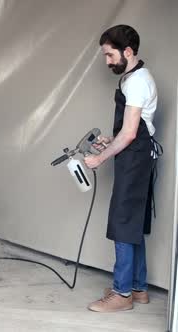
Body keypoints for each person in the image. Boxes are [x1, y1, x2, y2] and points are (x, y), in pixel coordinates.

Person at [84, 24, 161, 312]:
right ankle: (138, 288)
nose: (107, 61)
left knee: (122, 223)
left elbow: (130, 134)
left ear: (127, 52)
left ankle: (121, 294)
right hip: (137, 155)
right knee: (133, 224)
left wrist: (99, 159)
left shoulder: (138, 81)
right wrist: (110, 140)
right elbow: (129, 130)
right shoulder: (132, 76)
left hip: (135, 157)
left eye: (109, 55)